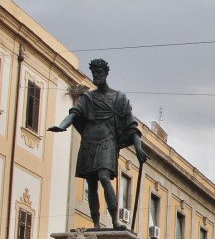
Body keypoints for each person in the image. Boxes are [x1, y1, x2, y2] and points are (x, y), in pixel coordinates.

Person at [49, 59, 147, 229]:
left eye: (99, 73)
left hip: (107, 141)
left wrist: (138, 148)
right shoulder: (88, 98)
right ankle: (95, 224)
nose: (96, 76)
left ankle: (115, 220)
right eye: (94, 73)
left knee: (103, 177)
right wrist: (62, 126)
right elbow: (74, 114)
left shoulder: (118, 98)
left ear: (106, 73)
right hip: (89, 141)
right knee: (91, 183)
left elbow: (132, 126)